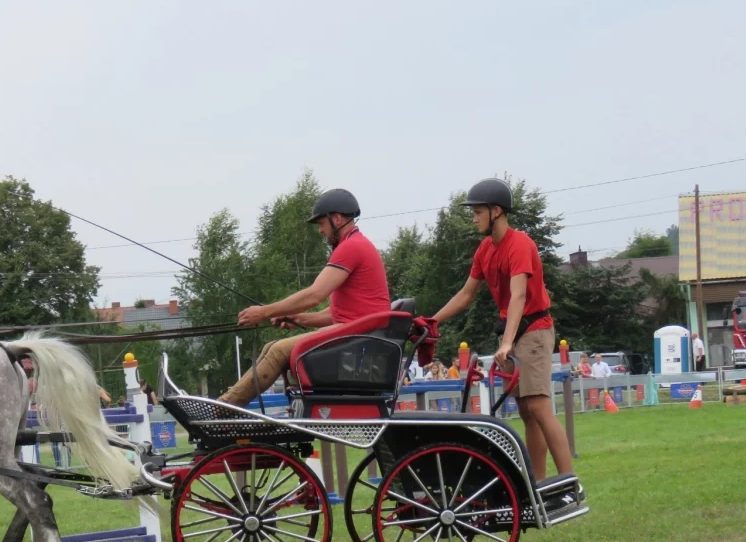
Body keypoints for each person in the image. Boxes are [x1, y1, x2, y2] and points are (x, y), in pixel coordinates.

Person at [425, 177, 575, 484]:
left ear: (497, 211)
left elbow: (518, 295)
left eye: (478, 212)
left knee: (539, 406)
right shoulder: (484, 250)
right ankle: (538, 484)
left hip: (533, 328)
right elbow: (466, 295)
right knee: (526, 411)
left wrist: (506, 342)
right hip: (512, 332)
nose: (473, 218)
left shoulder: (520, 244)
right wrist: (432, 321)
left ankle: (569, 482)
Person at [220, 188, 391, 406]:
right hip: (360, 332)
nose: (321, 231)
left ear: (337, 219)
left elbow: (315, 294)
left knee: (278, 350)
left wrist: (263, 312)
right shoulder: (356, 244)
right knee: (271, 347)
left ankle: (224, 407)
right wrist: (298, 318)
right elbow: (336, 313)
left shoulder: (351, 247)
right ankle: (227, 402)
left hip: (361, 337)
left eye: (322, 224)